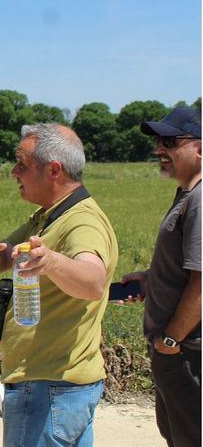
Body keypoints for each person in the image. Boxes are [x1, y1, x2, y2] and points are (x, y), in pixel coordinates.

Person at [0, 123, 118, 446]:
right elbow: (2, 259)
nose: (13, 172)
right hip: (61, 387)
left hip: (48, 389)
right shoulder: (48, 216)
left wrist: (50, 261)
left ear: (54, 171)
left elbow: (93, 281)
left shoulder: (82, 221)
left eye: (22, 163)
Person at [122, 107, 200, 447]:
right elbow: (187, 269)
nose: (159, 149)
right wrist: (154, 278)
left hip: (187, 351)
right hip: (177, 350)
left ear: (200, 148)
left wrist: (170, 341)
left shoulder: (199, 200)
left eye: (170, 140)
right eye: (157, 141)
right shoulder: (186, 194)